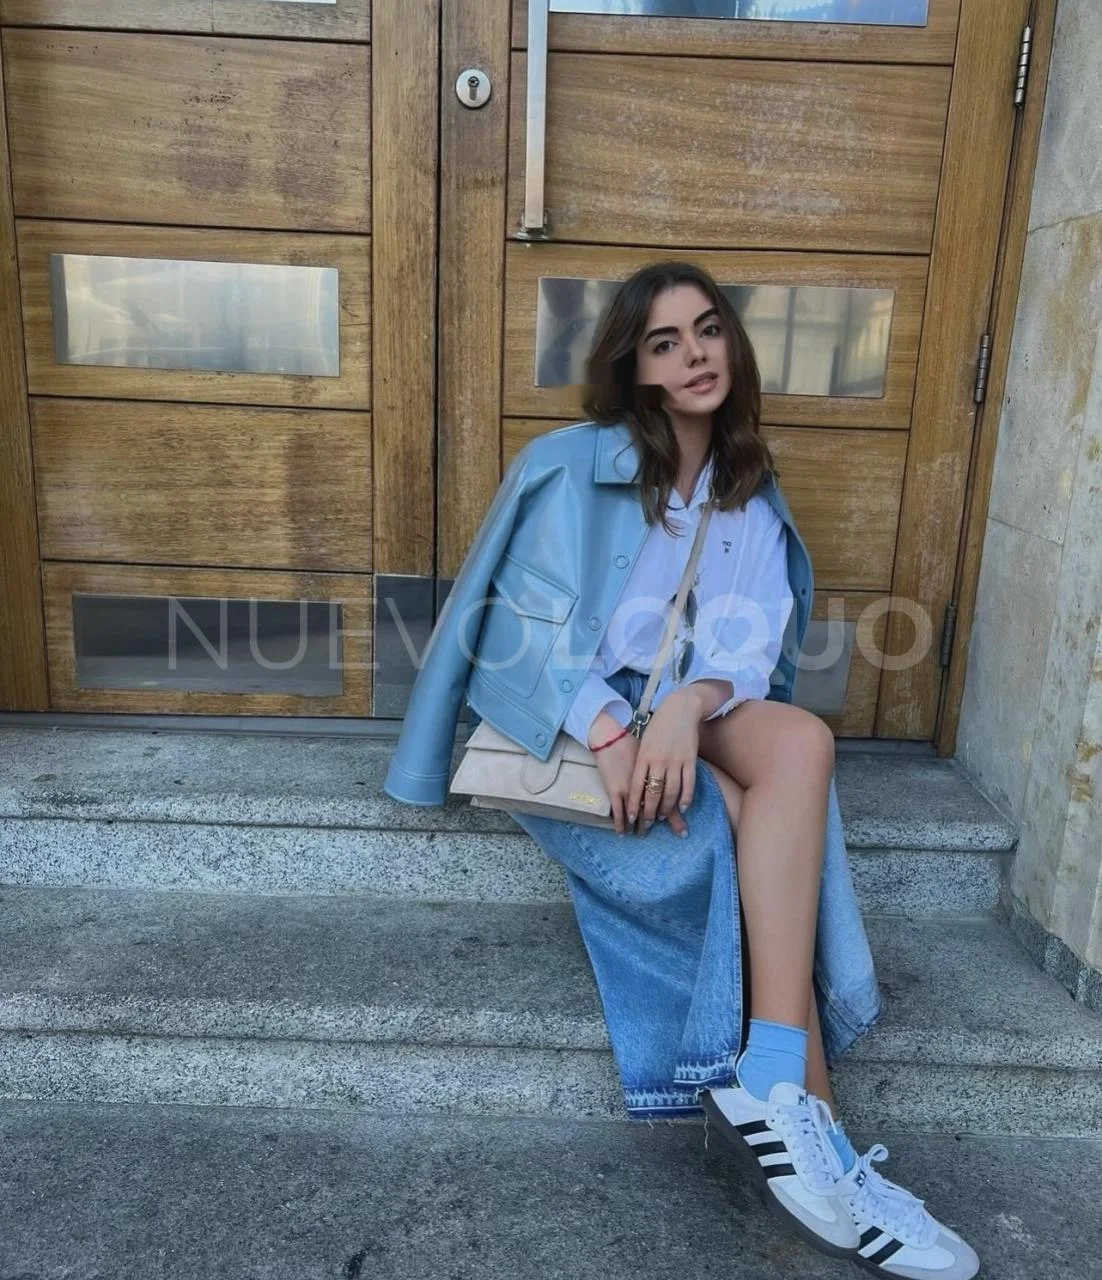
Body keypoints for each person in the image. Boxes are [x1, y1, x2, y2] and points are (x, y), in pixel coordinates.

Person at [383, 261, 979, 1280]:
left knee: (800, 744)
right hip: (574, 725)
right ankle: (822, 1139)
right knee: (750, 828)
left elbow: (747, 655)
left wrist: (683, 708)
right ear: (634, 367)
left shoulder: (750, 489)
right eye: (665, 342)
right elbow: (512, 634)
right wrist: (616, 726)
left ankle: (772, 1077)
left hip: (686, 709)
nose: (695, 354)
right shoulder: (567, 466)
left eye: (707, 330)